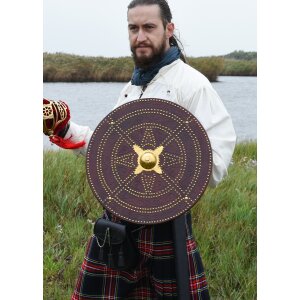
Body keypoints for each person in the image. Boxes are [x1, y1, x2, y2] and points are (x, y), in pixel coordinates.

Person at [44, 0, 236, 299]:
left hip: (166, 223)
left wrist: (169, 167)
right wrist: (65, 130)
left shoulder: (192, 85)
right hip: (118, 217)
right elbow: (111, 145)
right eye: (133, 28)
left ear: (169, 30)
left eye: (149, 27)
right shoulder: (133, 87)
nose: (140, 36)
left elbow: (217, 162)